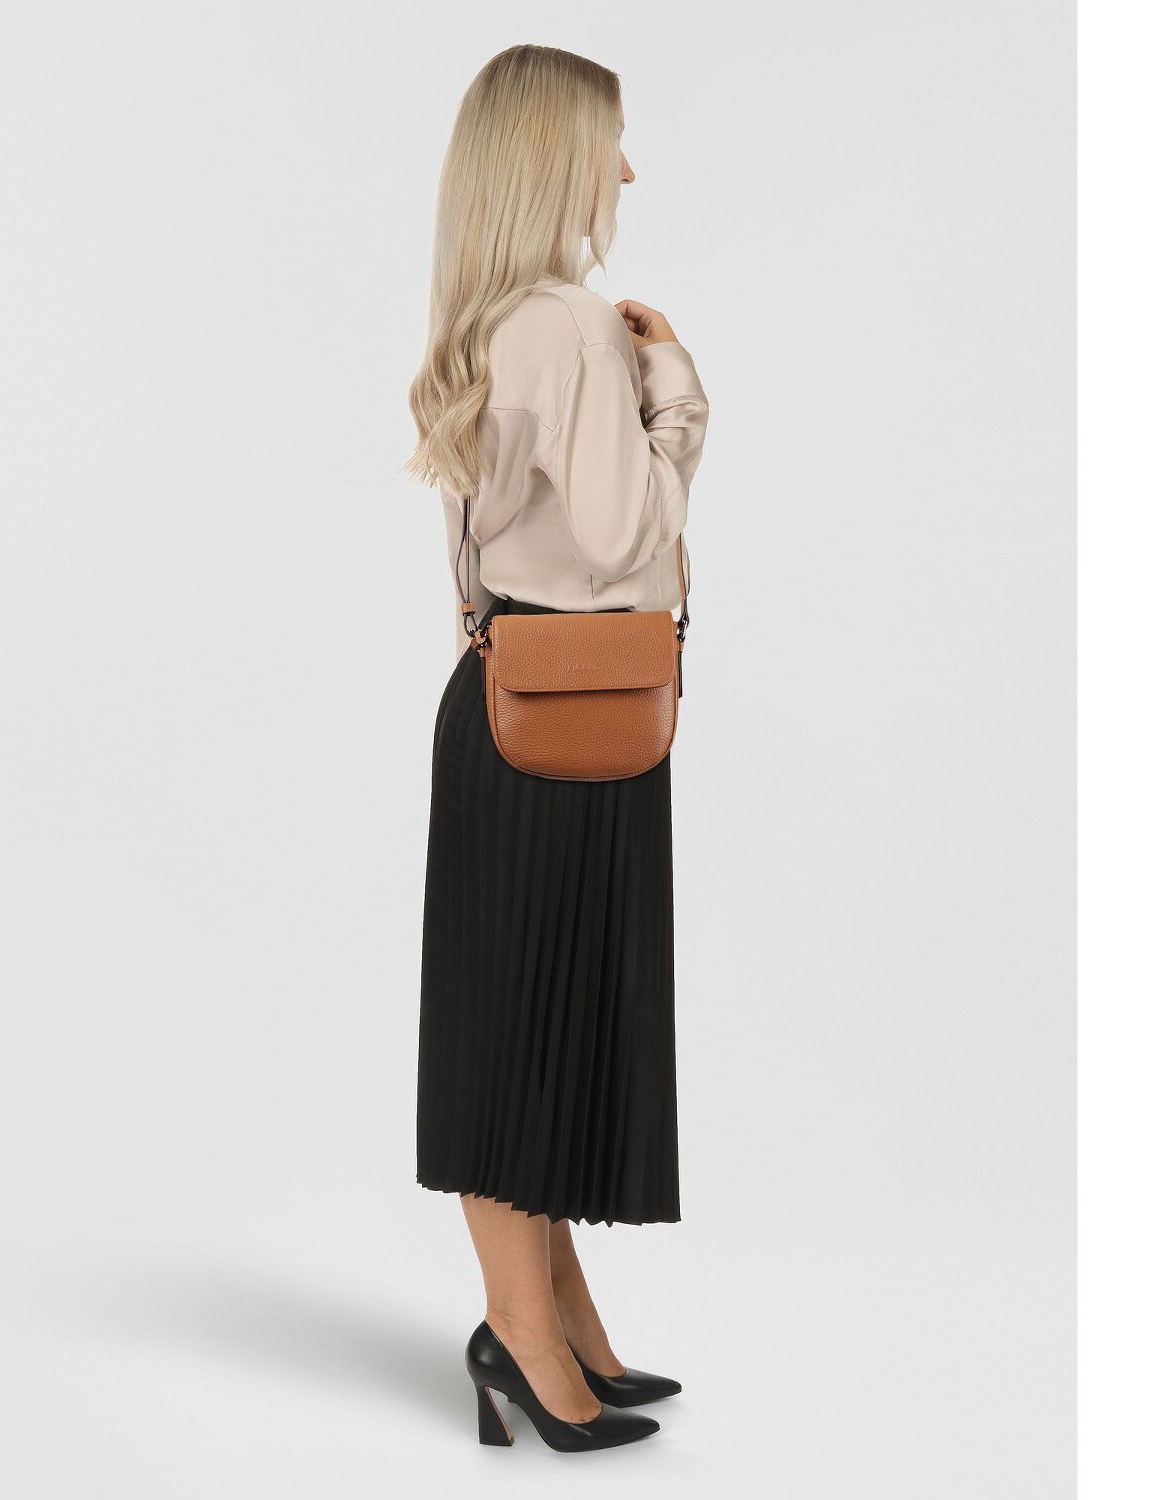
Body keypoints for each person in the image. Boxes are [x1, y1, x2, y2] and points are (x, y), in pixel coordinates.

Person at [408, 44, 709, 1453]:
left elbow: (488, 546)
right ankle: (525, 1336)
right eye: (613, 143)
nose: (627, 171)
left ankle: (554, 1316)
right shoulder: (580, 328)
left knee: (517, 1027)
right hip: (579, 710)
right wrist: (676, 395)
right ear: (558, 157)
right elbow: (624, 536)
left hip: (506, 701)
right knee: (535, 1031)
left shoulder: (487, 322)